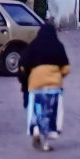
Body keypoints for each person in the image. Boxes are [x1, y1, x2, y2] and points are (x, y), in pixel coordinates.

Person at [19, 23, 70, 152]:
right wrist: (58, 75)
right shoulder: (58, 46)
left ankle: (36, 131)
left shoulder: (33, 46)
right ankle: (46, 144)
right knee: (50, 114)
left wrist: (26, 79)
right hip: (54, 87)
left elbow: (23, 66)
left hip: (36, 85)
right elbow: (66, 68)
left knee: (36, 111)